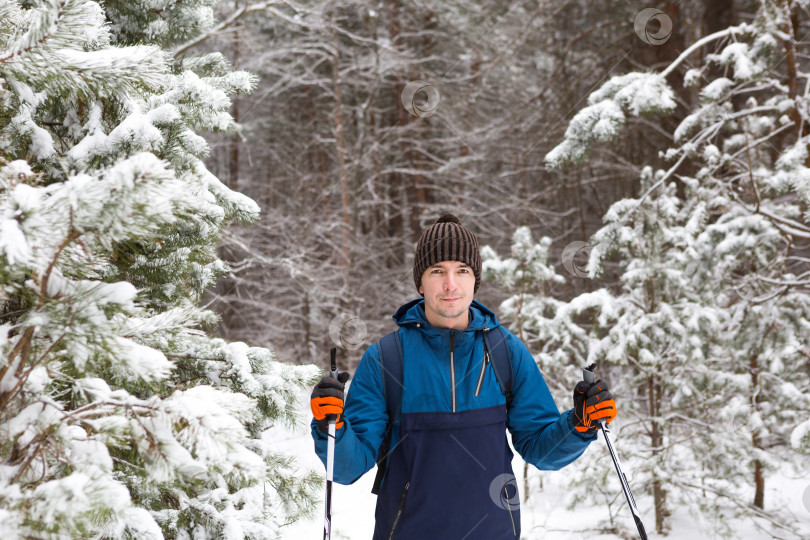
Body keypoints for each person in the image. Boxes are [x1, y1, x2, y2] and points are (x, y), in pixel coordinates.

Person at [310, 213, 617, 539]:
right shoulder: (386, 360)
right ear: (420, 282)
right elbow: (347, 467)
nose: (450, 284)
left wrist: (579, 424)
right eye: (437, 271)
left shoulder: (506, 353)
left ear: (475, 280)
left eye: (462, 271)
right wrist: (331, 425)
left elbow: (540, 449)